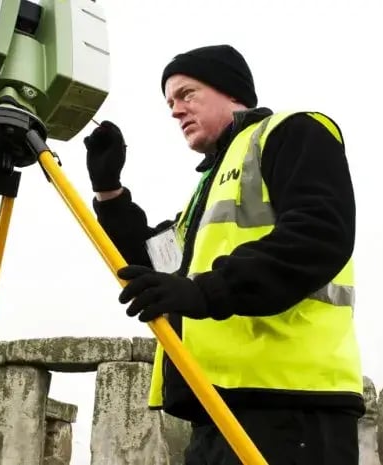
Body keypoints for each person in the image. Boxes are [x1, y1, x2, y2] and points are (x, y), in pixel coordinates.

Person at [82, 44, 365, 465]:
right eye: (170, 102)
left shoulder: (292, 131)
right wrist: (110, 193)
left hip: (292, 404)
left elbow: (319, 236)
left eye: (186, 94)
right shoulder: (209, 186)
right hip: (216, 408)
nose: (176, 110)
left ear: (231, 91)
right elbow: (160, 266)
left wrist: (206, 291)